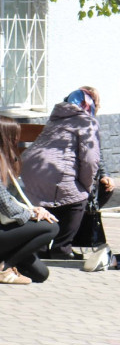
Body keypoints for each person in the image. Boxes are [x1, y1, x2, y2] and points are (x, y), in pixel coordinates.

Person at [21, 88, 102, 258]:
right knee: (77, 198)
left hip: (30, 168)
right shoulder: (87, 122)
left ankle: (40, 248)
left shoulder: (56, 119)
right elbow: (90, 159)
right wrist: (86, 186)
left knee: (46, 200)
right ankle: (62, 248)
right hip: (55, 171)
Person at [0, 117, 59, 284]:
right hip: (3, 226)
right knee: (51, 227)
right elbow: (5, 205)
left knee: (41, 274)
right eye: (15, 136)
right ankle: (4, 268)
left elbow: (14, 198)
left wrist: (34, 209)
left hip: (6, 226)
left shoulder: (6, 162)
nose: (17, 140)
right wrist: (31, 215)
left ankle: (6, 260)